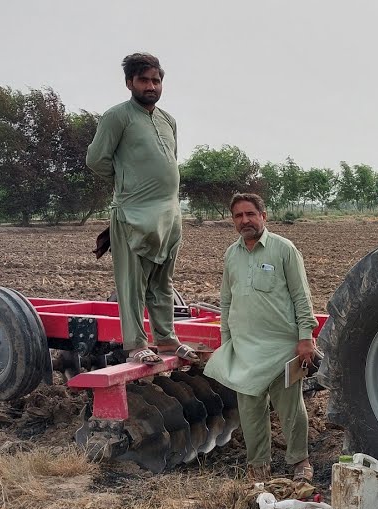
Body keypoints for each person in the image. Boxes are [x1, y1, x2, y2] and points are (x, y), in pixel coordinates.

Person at [86, 52, 197, 365]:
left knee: (163, 283)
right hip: (133, 214)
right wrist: (127, 183)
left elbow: (168, 161)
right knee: (132, 284)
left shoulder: (168, 121)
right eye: (144, 80)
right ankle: (135, 343)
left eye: (156, 80)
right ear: (129, 83)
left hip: (169, 216)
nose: (151, 86)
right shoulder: (117, 117)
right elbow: (96, 160)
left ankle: (166, 338)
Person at [204, 193, 319, 482]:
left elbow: (301, 296)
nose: (245, 220)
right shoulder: (232, 254)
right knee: (251, 412)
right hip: (245, 349)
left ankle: (299, 462)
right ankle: (258, 465)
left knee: (291, 409)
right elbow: (227, 301)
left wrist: (306, 337)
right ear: (233, 221)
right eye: (238, 216)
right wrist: (227, 340)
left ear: (263, 216)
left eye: (250, 214)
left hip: (283, 347)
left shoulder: (284, 249)